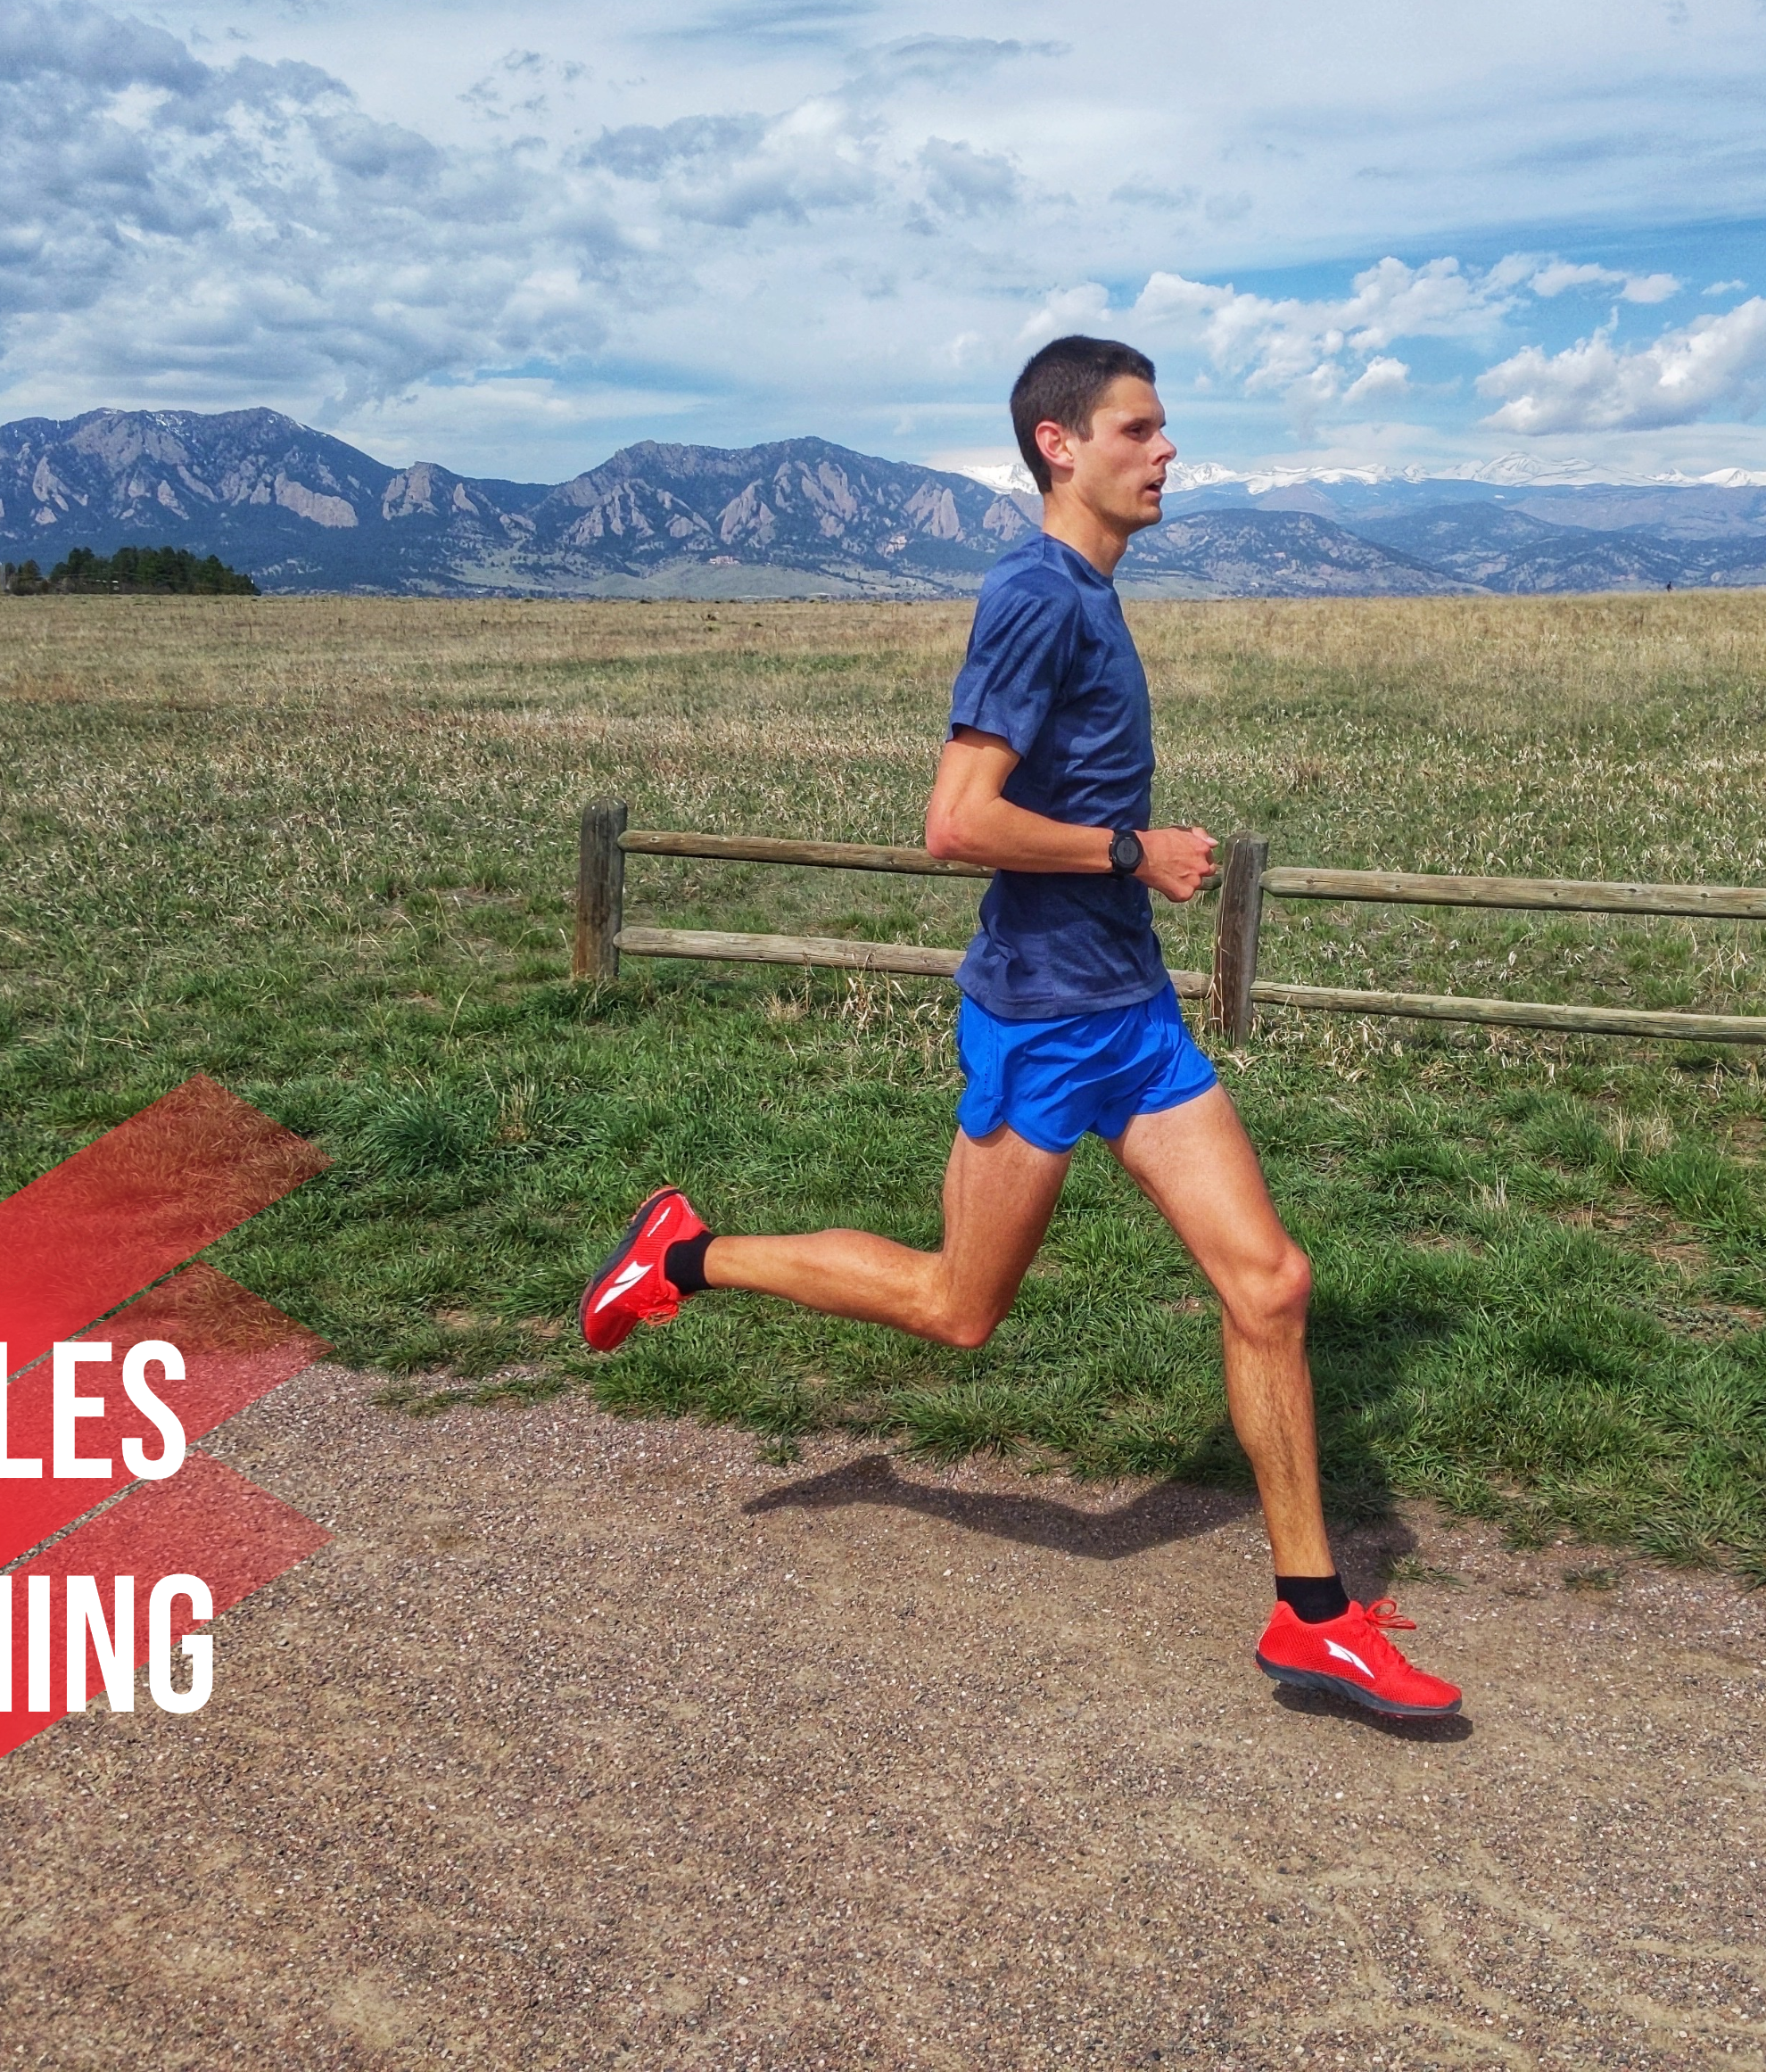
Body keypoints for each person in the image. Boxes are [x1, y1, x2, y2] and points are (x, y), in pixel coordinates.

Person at [580, 336, 1460, 1719]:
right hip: (1045, 1020)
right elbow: (956, 821)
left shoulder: (1092, 594)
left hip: (1133, 1011)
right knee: (958, 1308)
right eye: (1138, 429)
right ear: (1060, 444)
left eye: (1163, 429)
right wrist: (1133, 853)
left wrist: (1128, 877)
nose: (1166, 451)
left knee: (1272, 1285)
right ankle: (683, 1255)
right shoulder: (1036, 597)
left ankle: (1314, 1616)